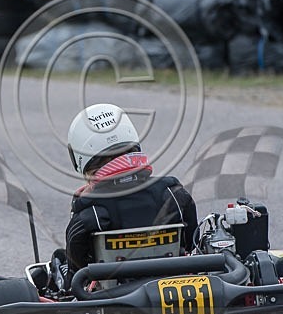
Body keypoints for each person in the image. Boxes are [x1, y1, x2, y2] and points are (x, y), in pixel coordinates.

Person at [49, 103, 198, 292]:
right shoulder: (173, 194)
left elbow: (76, 269)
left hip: (113, 295)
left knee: (59, 259)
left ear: (80, 156)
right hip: (174, 288)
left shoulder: (90, 213)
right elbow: (193, 242)